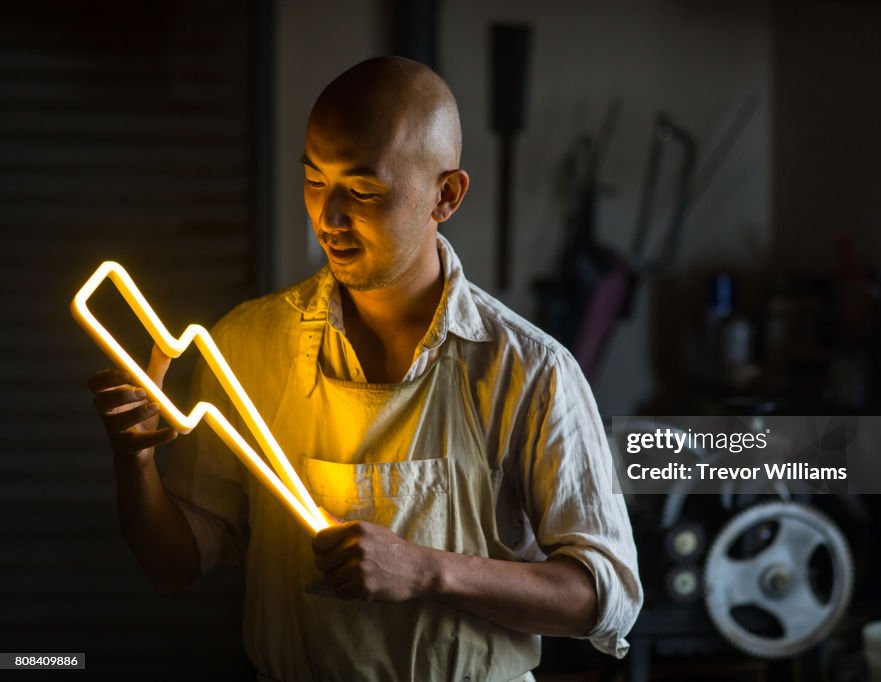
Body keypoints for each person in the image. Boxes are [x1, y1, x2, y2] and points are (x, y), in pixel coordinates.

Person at [88, 56, 641, 682]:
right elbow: (174, 566)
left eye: (364, 190)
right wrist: (133, 461)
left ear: (447, 195)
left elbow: (607, 598)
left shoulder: (528, 370)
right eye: (316, 181)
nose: (330, 217)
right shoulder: (247, 345)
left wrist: (428, 570)